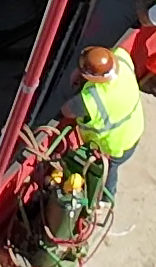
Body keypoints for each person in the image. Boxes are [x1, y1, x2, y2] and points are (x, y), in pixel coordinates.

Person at [60, 45, 144, 198]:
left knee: (107, 172)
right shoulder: (122, 58)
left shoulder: (92, 100)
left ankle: (106, 199)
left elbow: (67, 111)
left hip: (115, 146)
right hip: (135, 129)